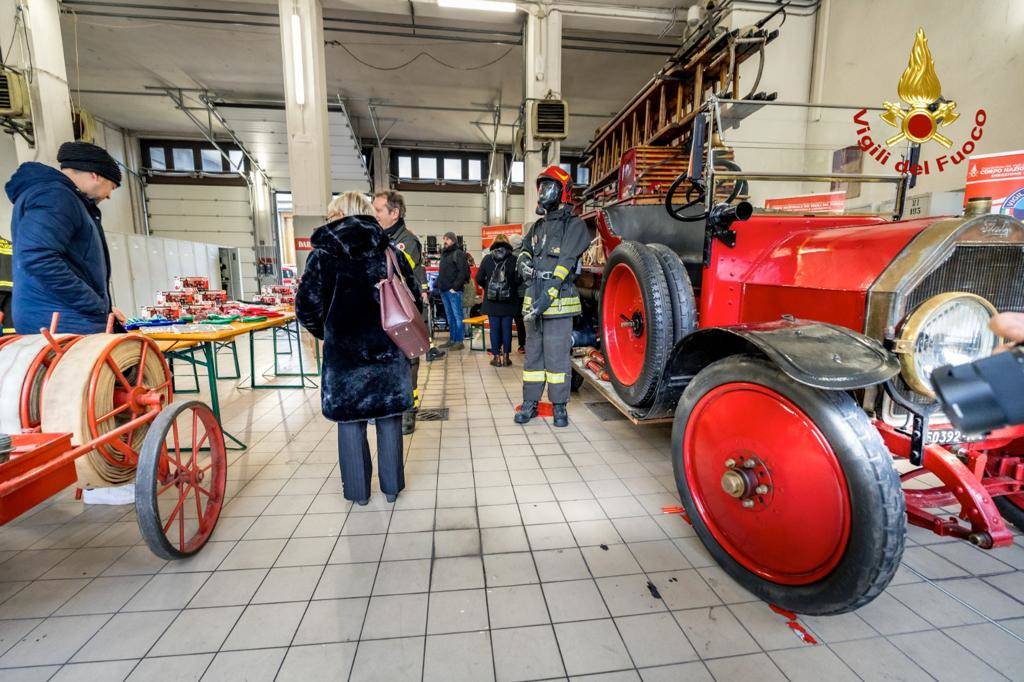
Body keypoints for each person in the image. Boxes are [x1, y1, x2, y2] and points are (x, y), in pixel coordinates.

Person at [297, 192, 418, 506]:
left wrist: (330, 332)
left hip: (345, 358)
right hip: (388, 351)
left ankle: (358, 493)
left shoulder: (323, 254)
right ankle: (391, 488)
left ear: (339, 214)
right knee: (389, 418)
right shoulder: (389, 249)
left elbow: (306, 307)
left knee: (350, 422)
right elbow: (415, 295)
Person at [5, 142, 126, 334]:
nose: (109, 195)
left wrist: (104, 307)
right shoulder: (56, 196)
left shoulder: (61, 197)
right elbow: (38, 257)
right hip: (63, 321)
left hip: (63, 315)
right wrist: (94, 304)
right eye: (111, 187)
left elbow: (74, 263)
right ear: (95, 175)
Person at [515, 166, 591, 428]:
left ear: (564, 192)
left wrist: (547, 295)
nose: (542, 192)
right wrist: (523, 263)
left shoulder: (576, 226)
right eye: (541, 187)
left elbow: (567, 262)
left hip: (558, 303)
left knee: (557, 357)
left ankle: (559, 406)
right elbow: (524, 250)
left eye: (549, 187)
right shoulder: (537, 227)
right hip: (533, 301)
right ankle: (530, 402)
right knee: (533, 356)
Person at [373, 190, 429, 434]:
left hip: (402, 312)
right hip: (382, 312)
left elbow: (405, 277)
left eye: (378, 210)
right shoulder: (377, 238)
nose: (373, 215)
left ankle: (409, 410)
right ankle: (390, 406)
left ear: (394, 213)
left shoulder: (406, 241)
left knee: (408, 362)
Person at [476, 235, 519, 367]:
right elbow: (519, 279)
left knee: (494, 329)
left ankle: (496, 358)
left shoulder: (487, 258)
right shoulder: (513, 259)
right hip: (509, 301)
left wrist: (488, 286)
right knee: (506, 329)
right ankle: (506, 357)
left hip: (492, 301)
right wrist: (510, 287)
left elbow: (478, 278)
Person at [437, 231, 470, 350]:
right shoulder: (444, 254)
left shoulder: (458, 253)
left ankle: (459, 341)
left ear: (453, 241)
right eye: (444, 239)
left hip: (453, 291)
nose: (445, 241)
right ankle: (452, 339)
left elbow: (464, 273)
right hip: (444, 290)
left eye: (448, 239)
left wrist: (454, 288)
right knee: (450, 317)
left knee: (457, 316)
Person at [508, 233, 527, 354]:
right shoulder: (526, 255)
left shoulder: (512, 257)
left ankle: (521, 344)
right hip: (527, 292)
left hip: (516, 293)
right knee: (526, 320)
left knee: (518, 320)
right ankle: (526, 344)